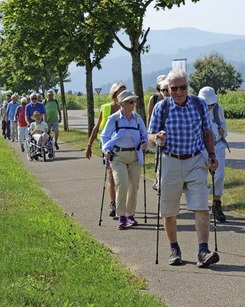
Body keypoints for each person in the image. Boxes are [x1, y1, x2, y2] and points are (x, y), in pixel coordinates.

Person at [148, 69, 220, 268]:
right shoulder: (161, 108)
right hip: (170, 160)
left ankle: (203, 251)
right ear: (167, 89)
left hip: (196, 160)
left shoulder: (199, 104)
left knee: (201, 207)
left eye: (183, 87)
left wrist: (212, 156)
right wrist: (157, 138)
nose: (179, 92)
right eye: (174, 88)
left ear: (188, 87)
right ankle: (174, 249)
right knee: (169, 210)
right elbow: (150, 136)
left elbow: (207, 132)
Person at [101, 90, 149, 230]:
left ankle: (130, 215)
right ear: (121, 103)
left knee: (134, 186)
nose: (133, 104)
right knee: (122, 184)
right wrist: (106, 150)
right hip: (118, 156)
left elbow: (144, 135)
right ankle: (121, 216)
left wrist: (145, 143)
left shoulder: (137, 119)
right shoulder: (114, 119)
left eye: (134, 101)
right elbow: (105, 137)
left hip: (135, 155)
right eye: (129, 101)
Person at [86, 82, 127, 218]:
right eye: (119, 93)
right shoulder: (105, 108)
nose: (121, 96)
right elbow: (96, 127)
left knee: (124, 177)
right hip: (109, 147)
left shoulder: (129, 108)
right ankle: (113, 203)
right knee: (111, 175)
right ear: (114, 94)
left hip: (126, 148)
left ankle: (122, 202)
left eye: (123, 93)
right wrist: (89, 145)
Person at [198, 86, 228, 222]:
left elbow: (224, 126)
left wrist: (223, 131)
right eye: (207, 104)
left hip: (218, 145)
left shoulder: (218, 109)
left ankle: (216, 203)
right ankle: (202, 205)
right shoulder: (195, 110)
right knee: (202, 177)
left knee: (219, 175)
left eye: (211, 104)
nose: (209, 107)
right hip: (202, 147)